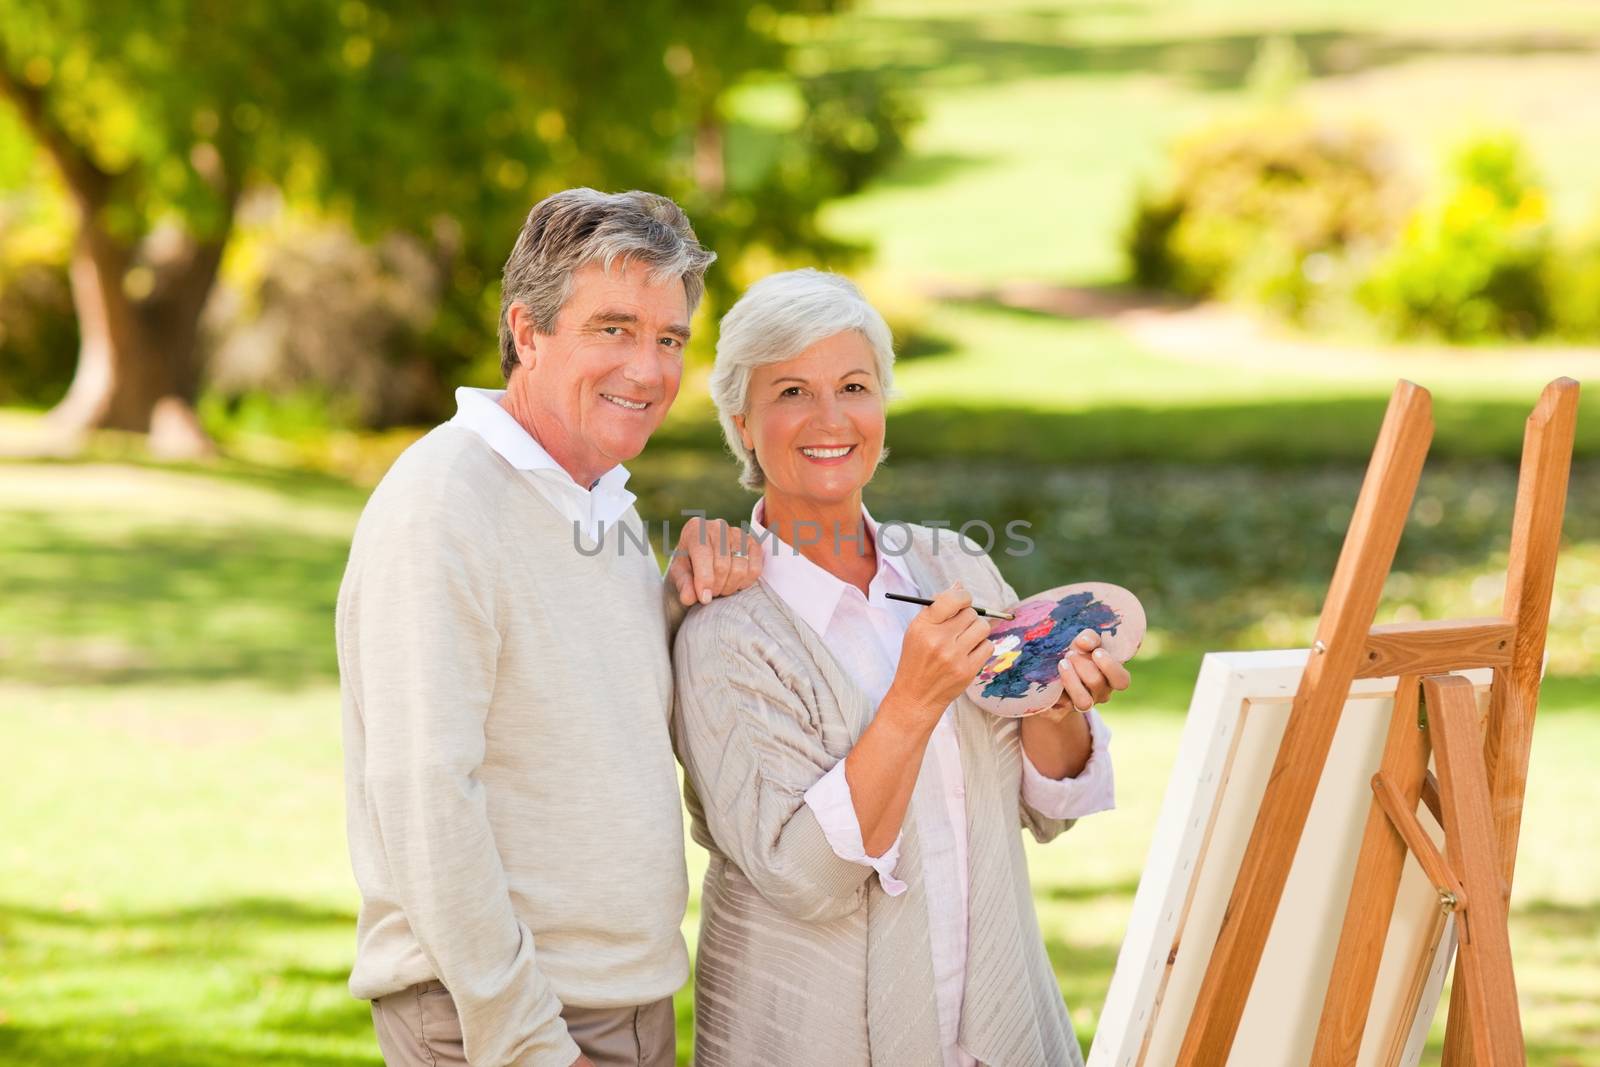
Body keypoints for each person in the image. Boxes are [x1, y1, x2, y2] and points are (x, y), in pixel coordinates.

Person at [337, 189, 762, 1067]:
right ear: (527, 333)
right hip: (504, 1021)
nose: (648, 370)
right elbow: (425, 796)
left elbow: (584, 723)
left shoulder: (593, 499)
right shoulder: (445, 503)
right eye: (613, 329)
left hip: (623, 1002)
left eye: (669, 338)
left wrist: (677, 608)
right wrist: (525, 1037)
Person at [671, 269, 1128, 1066]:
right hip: (810, 1038)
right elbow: (805, 877)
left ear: (882, 406)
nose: (830, 418)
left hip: (996, 1026)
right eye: (790, 393)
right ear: (741, 422)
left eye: (854, 385)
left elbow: (1049, 807)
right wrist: (913, 700)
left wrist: (1058, 707)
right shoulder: (725, 634)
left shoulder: (957, 566)